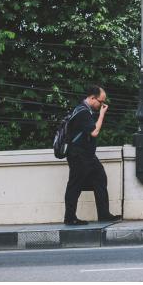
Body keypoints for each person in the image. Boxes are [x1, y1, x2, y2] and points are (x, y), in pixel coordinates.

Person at [61, 85, 119, 225]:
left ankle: (104, 214)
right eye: (101, 101)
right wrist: (102, 115)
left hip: (87, 155)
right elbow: (94, 132)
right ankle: (69, 218)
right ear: (92, 98)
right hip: (78, 154)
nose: (102, 105)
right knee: (75, 184)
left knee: (100, 178)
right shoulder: (82, 112)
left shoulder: (84, 110)